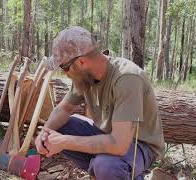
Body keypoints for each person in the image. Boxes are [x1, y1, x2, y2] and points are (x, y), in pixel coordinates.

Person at [35, 26, 165, 180]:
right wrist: (45, 133)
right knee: (62, 127)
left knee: (106, 166)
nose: (64, 73)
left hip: (140, 145)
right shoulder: (85, 77)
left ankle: (115, 171)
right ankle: (104, 171)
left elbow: (119, 144)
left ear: (82, 62)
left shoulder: (127, 79)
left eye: (64, 67)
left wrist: (64, 142)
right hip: (108, 135)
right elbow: (65, 108)